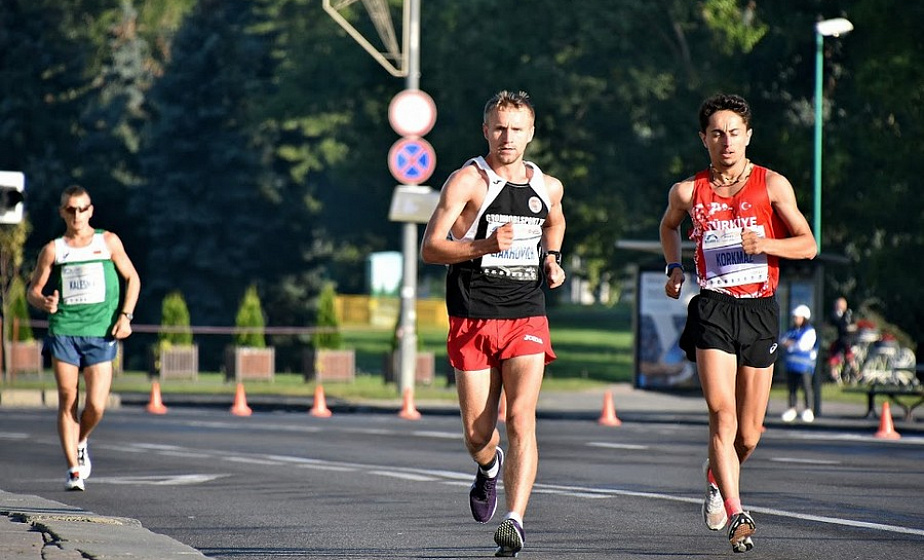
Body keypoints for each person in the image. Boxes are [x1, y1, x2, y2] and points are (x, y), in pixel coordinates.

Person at [659, 94, 816, 553]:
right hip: (712, 306)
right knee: (721, 414)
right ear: (703, 139)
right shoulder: (687, 191)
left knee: (748, 434)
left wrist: (765, 242)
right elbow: (669, 227)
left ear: (747, 136)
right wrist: (674, 267)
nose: (725, 141)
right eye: (716, 133)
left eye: (734, 132)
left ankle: (715, 474)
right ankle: (735, 510)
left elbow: (807, 244)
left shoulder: (772, 185)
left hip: (760, 310)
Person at [420, 90, 565, 557]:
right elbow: (431, 248)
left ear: (531, 133)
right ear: (486, 130)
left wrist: (553, 260)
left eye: (517, 129)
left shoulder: (548, 186)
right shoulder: (467, 182)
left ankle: (515, 520)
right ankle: (488, 468)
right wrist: (485, 246)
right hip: (472, 316)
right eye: (499, 128)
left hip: (526, 314)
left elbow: (555, 221)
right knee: (478, 435)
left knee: (522, 417)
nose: (508, 137)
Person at [27, 185, 140, 491]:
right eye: (70, 209)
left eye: (82, 208)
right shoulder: (54, 249)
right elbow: (33, 291)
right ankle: (74, 472)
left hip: (101, 333)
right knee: (68, 399)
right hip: (64, 330)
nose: (76, 215)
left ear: (91, 210)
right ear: (62, 212)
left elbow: (133, 278)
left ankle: (82, 440)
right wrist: (43, 302)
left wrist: (125, 317)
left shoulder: (108, 242)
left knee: (97, 406)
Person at [780, 305, 817, 423]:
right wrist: (791, 343)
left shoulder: (809, 330)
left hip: (804, 366)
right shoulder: (792, 330)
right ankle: (792, 408)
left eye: (798, 317)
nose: (795, 319)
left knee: (806, 387)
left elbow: (803, 345)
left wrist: (790, 344)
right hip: (791, 365)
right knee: (792, 388)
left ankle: (808, 409)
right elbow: (782, 340)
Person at [827, 296, 856, 381]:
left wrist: (849, 328)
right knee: (833, 357)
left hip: (847, 340)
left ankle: (854, 372)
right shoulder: (834, 315)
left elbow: (853, 325)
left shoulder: (848, 314)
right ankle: (835, 375)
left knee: (849, 356)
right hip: (837, 341)